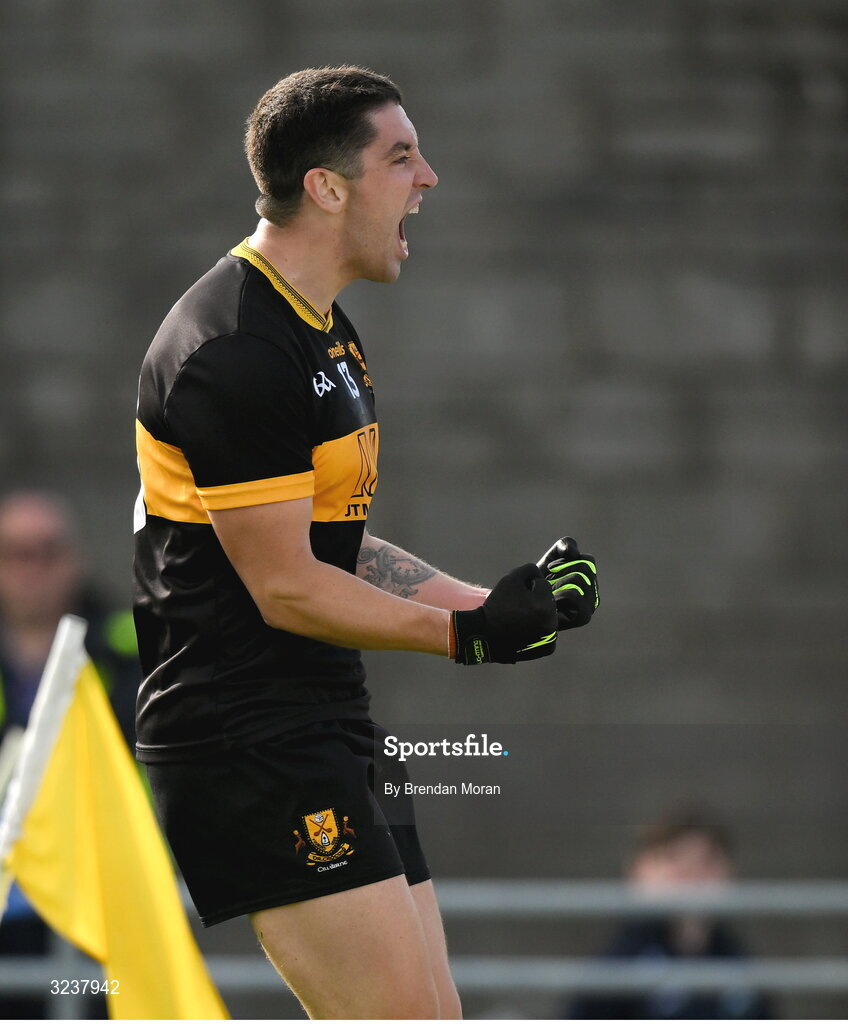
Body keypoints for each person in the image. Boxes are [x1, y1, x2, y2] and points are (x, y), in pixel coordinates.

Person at [133, 66, 600, 1020]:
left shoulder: (320, 330)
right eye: (402, 156)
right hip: (245, 741)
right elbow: (288, 588)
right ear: (327, 186)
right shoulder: (235, 348)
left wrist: (495, 605)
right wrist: (463, 639)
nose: (427, 177)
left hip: (321, 719)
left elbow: (327, 542)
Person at [0, 489, 140, 1019]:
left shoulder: (135, 647)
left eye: (47, 551)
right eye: (15, 553)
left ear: (75, 559)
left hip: (107, 905)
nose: (31, 569)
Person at [564, 805, 772, 1020]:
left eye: (706, 860)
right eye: (672, 858)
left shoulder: (740, 965)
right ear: (638, 869)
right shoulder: (615, 969)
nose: (690, 875)